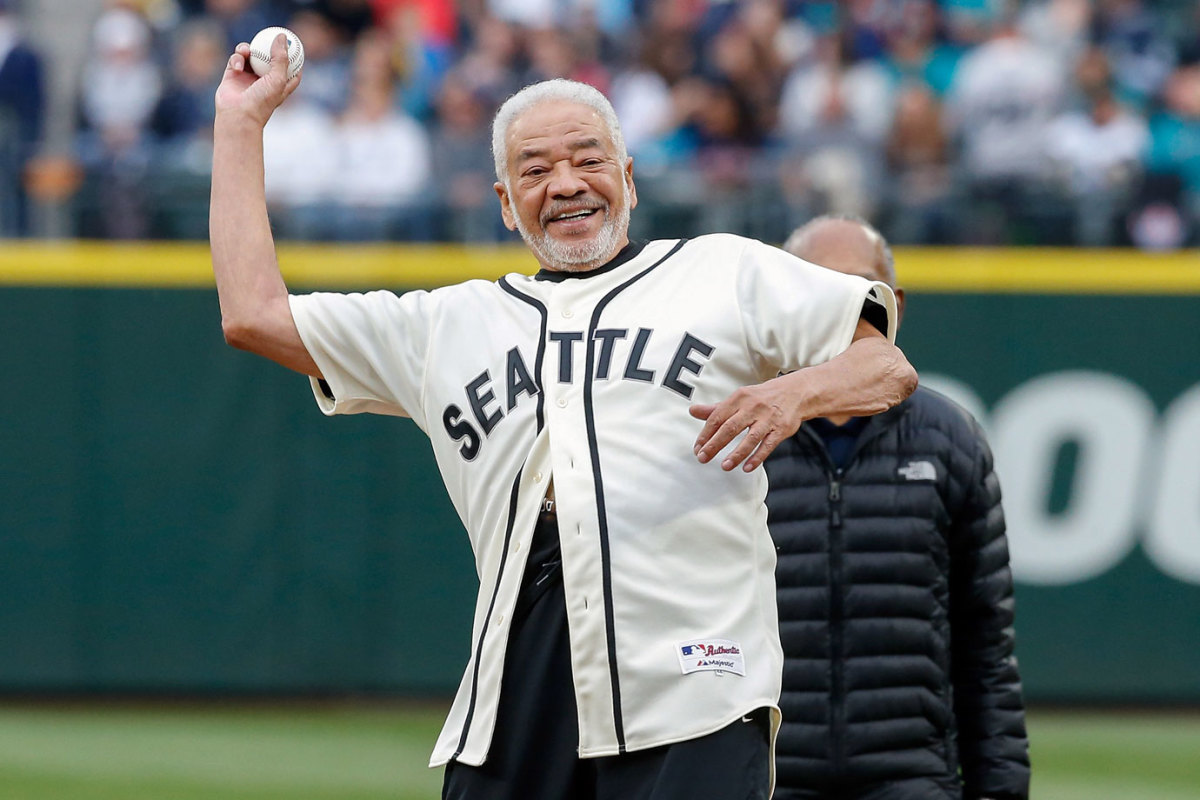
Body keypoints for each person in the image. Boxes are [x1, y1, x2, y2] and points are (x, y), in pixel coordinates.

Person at [210, 35, 917, 800]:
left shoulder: (724, 271)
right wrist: (240, 125)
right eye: (536, 170)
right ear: (505, 202)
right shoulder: (446, 323)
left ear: (630, 179)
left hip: (696, 685)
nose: (568, 183)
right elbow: (253, 315)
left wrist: (791, 395)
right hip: (514, 693)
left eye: (588, 158)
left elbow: (885, 367)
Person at [766, 215, 1030, 800]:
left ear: (896, 305)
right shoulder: (737, 434)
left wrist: (1000, 789)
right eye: (815, 286)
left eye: (860, 288)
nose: (838, 307)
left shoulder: (949, 438)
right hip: (766, 779)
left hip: (912, 780)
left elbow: (985, 644)